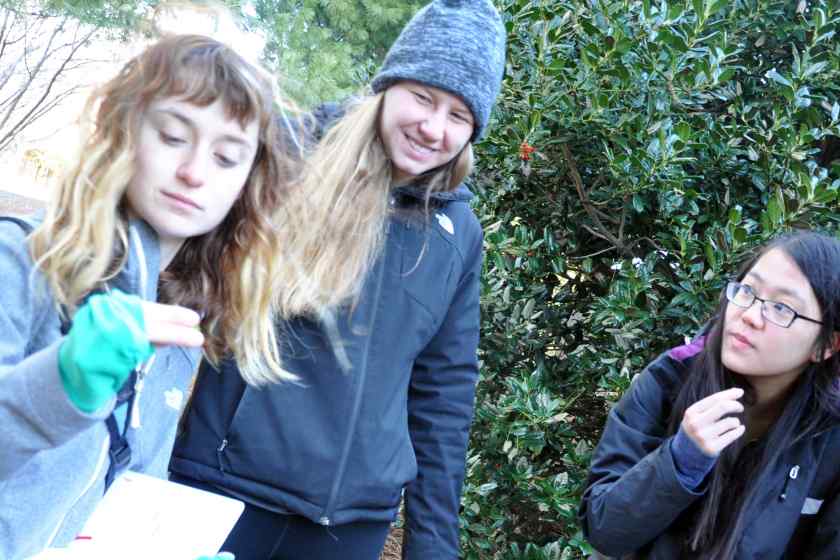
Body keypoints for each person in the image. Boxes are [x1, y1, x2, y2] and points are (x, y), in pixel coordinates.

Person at [168, 1, 507, 558]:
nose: (432, 127)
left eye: (458, 116)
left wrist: (432, 546)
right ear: (389, 86)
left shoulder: (459, 233)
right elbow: (188, 270)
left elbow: (444, 396)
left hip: (349, 527)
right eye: (423, 97)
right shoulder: (287, 157)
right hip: (226, 490)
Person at [0, 33, 300, 560]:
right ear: (124, 129)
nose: (194, 172)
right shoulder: (19, 257)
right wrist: (60, 382)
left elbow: (125, 481)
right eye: (172, 135)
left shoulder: (186, 318)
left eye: (227, 157)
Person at [579, 231, 840, 559]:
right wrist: (679, 461)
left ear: (826, 345)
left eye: (781, 308)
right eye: (747, 291)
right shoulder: (670, 380)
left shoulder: (830, 435)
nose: (749, 315)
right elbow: (604, 528)